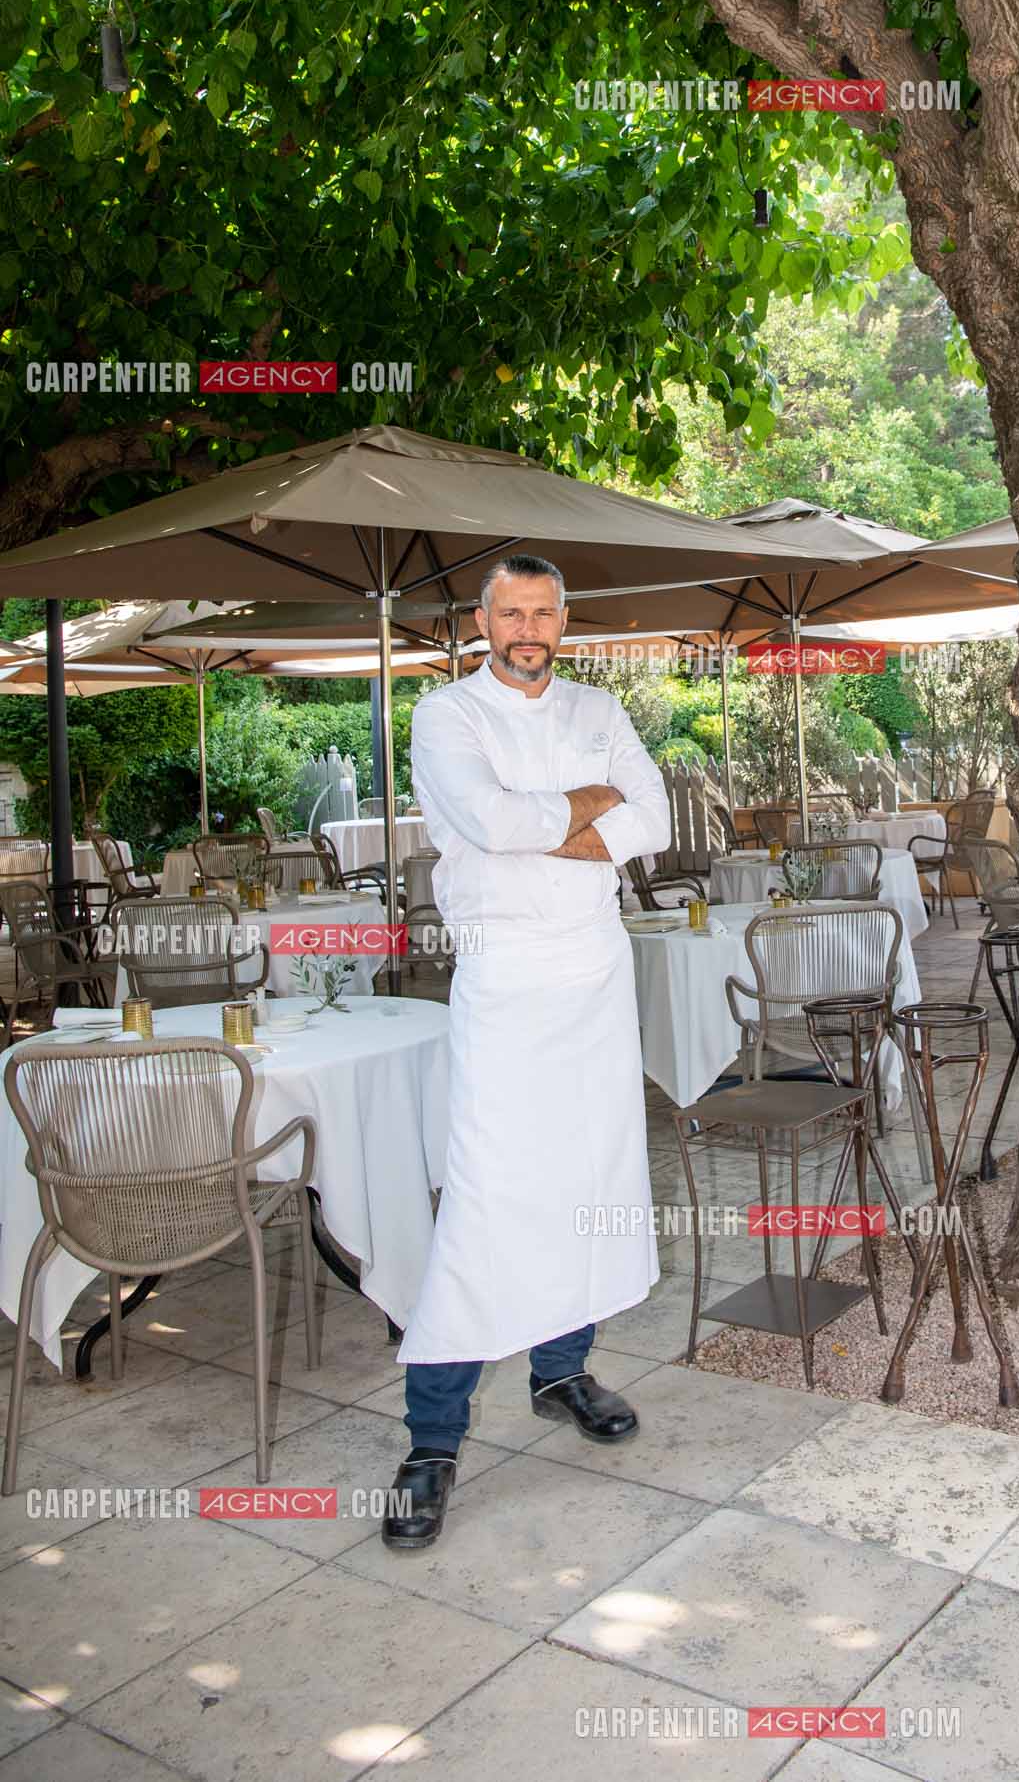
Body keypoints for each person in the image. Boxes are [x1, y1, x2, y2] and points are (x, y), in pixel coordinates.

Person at [382, 552, 671, 1551]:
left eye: (543, 612)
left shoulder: (598, 709)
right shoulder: (445, 717)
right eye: (511, 612)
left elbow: (658, 817)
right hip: (502, 980)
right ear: (482, 618)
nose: (528, 628)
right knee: (489, 1199)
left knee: (587, 1179)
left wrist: (552, 816)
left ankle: (561, 1370)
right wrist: (594, 805)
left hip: (593, 975)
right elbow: (492, 822)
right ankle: (432, 1440)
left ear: (564, 618)